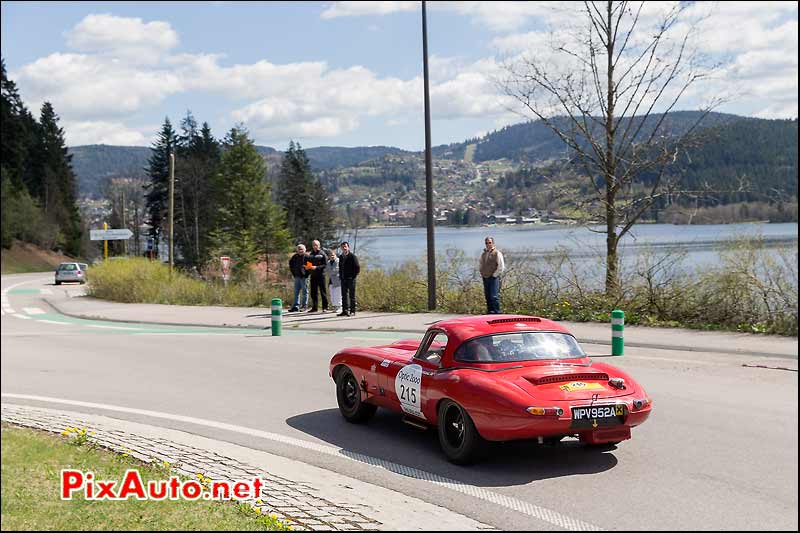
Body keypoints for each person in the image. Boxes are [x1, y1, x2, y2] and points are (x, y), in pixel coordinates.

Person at [479, 236, 504, 314]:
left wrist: (494, 275)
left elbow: (501, 266)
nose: (488, 244)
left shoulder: (497, 253)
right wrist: (481, 272)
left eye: (489, 242)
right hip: (485, 277)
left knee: (494, 296)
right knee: (488, 296)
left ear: (493, 243)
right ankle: (490, 313)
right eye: (486, 243)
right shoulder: (484, 253)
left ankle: (497, 312)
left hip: (494, 278)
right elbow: (480, 264)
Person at [338, 241, 360, 317]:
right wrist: (341, 276)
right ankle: (345, 311)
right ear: (341, 248)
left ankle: (352, 311)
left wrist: (353, 276)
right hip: (343, 279)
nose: (344, 248)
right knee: (344, 296)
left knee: (352, 296)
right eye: (343, 247)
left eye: (345, 246)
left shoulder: (353, 256)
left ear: (348, 247)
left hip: (351, 279)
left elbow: (357, 268)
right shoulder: (341, 257)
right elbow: (340, 268)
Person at [306, 240, 329, 312]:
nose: (315, 246)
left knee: (323, 292)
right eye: (313, 245)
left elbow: (325, 265)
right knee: (313, 292)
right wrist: (308, 267)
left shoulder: (322, 253)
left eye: (316, 245)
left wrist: (316, 267)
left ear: (319, 245)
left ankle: (325, 307)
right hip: (313, 275)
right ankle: (314, 307)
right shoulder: (311, 254)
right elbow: (309, 264)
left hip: (321, 275)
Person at [288, 244, 310, 312]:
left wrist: (306, 274)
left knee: (305, 292)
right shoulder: (294, 257)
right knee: (296, 292)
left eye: (302, 249)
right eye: (299, 249)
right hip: (297, 277)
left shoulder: (307, 257)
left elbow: (309, 267)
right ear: (297, 250)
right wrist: (294, 274)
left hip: (304, 277)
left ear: (305, 250)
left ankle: (304, 306)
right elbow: (290, 265)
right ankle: (295, 306)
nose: (300, 250)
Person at [326, 249, 342, 314]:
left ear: (335, 255)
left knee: (338, 295)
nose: (332, 256)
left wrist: (331, 271)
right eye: (330, 255)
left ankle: (340, 307)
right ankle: (335, 307)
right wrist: (331, 271)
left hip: (338, 281)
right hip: (331, 281)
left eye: (333, 255)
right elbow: (327, 271)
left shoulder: (338, 261)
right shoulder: (328, 262)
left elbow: (336, 270)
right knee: (332, 295)